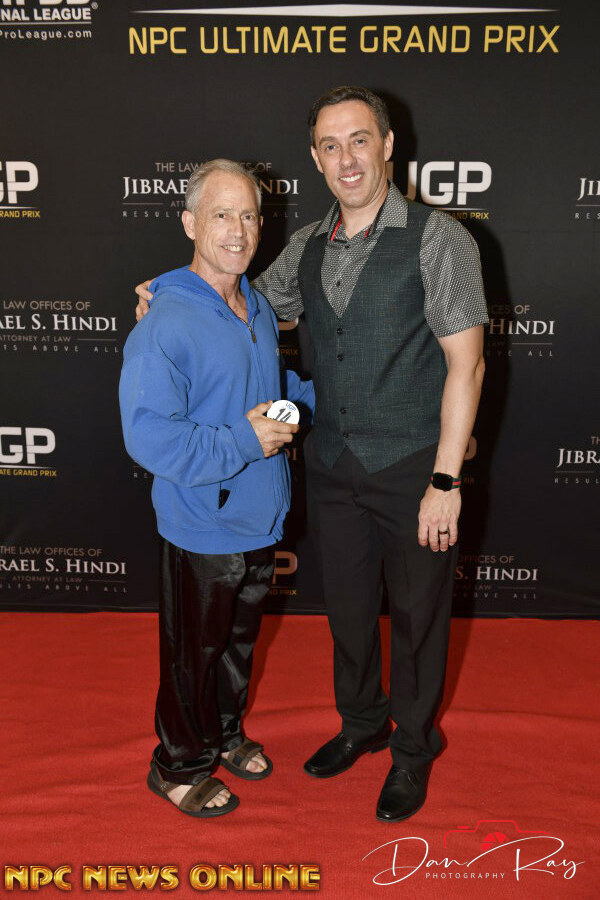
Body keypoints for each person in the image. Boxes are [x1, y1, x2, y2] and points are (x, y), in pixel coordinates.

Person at [135, 86, 488, 822]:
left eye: (359, 140)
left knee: (418, 621)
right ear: (316, 158)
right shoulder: (303, 247)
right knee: (350, 613)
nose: (346, 158)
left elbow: (469, 365)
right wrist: (164, 290)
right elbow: (231, 295)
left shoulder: (438, 238)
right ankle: (362, 724)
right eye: (330, 145)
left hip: (414, 469)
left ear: (387, 145)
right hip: (331, 471)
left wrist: (447, 479)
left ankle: (412, 750)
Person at [120, 159, 314, 818]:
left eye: (249, 215)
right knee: (192, 657)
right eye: (221, 214)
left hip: (260, 516)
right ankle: (177, 764)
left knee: (236, 646)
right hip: (201, 523)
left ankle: (224, 734)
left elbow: (268, 393)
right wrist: (242, 441)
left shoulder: (256, 304)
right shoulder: (165, 320)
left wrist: (324, 403)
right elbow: (149, 438)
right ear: (189, 223)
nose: (237, 230)